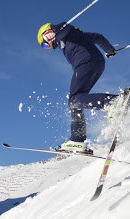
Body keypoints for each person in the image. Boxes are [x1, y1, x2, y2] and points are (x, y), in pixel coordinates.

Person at [37, 22, 120, 155]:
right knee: (77, 101)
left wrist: (55, 30)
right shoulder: (78, 36)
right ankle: (77, 140)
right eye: (45, 47)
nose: (49, 47)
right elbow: (98, 37)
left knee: (74, 100)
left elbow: (65, 27)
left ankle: (112, 102)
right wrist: (109, 50)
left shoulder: (63, 34)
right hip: (97, 63)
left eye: (45, 44)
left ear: (47, 35)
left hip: (85, 63)